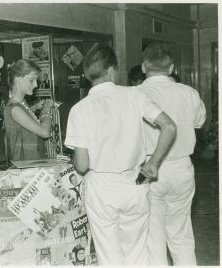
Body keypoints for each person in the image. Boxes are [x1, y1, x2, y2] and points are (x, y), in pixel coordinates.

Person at [64, 44, 177, 265]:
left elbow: (82, 166)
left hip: (102, 188)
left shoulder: (79, 109)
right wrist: (153, 164)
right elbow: (169, 127)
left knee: (109, 254)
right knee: (136, 252)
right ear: (112, 70)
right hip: (134, 184)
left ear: (88, 74)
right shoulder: (135, 95)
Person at [139, 42, 206, 265]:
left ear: (143, 67)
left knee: (153, 237)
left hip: (150, 168)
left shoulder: (136, 94)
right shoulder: (190, 92)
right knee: (181, 234)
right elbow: (198, 123)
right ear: (171, 68)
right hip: (182, 168)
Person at [4, 59, 54, 161]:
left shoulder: (20, 103)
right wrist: (46, 110)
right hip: (26, 168)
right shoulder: (15, 109)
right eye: (32, 80)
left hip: (32, 163)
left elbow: (23, 119)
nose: (36, 85)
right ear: (18, 79)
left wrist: (34, 108)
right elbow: (45, 133)